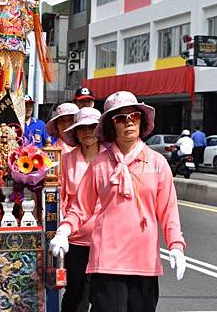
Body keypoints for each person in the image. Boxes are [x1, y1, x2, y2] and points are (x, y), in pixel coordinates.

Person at [50, 91, 186, 312]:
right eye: (120, 118)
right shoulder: (100, 164)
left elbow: (169, 212)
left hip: (144, 260)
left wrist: (176, 246)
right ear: (112, 126)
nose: (129, 122)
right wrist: (64, 231)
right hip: (107, 260)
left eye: (134, 116)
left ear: (141, 121)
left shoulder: (157, 163)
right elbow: (80, 208)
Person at [58, 107, 102, 312]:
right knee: (76, 291)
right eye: (82, 128)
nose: (87, 132)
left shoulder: (111, 158)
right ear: (75, 132)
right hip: (75, 237)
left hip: (105, 238)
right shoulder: (67, 160)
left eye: (92, 127)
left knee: (101, 292)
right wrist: (62, 229)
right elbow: (59, 196)